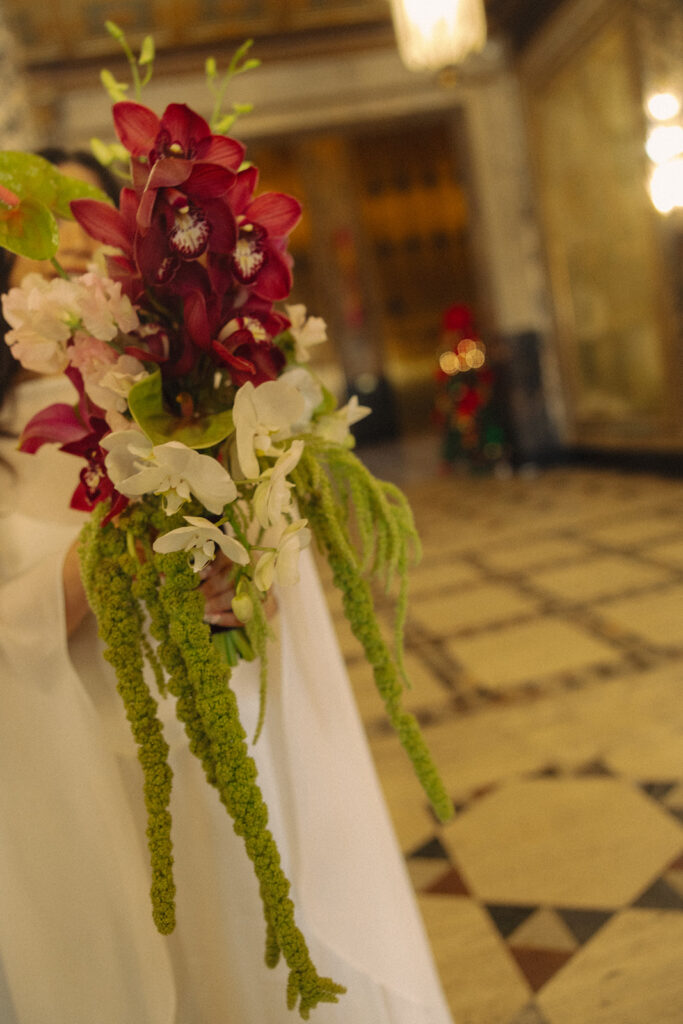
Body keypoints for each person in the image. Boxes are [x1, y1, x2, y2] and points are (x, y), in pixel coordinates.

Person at [0, 152, 455, 1024]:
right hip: (86, 760)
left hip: (222, 731)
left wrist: (246, 578)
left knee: (249, 935)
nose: (62, 246)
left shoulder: (178, 387)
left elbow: (266, 568)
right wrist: (96, 566)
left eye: (84, 222)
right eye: (33, 230)